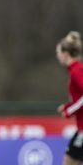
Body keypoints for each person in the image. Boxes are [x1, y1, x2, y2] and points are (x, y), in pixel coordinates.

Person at [56, 31, 83, 165]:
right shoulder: (75, 70)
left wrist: (69, 111)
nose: (58, 56)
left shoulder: (76, 71)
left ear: (66, 54)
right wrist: (68, 106)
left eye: (58, 53)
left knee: (69, 161)